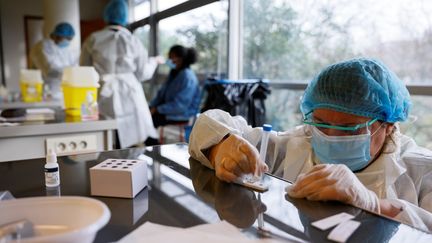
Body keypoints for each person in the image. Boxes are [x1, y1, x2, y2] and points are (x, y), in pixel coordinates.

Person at [188, 58, 432, 232]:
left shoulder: (421, 170)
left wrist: (374, 205)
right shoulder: (295, 144)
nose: (332, 136)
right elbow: (208, 123)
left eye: (349, 127)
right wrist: (223, 145)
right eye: (321, 123)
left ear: (388, 124)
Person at [80, 0, 162, 148]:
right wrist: (154, 62)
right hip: (130, 92)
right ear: (125, 18)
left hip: (102, 91)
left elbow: (84, 70)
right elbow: (143, 73)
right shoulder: (134, 40)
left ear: (106, 16)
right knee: (132, 138)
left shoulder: (93, 39)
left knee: (105, 139)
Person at [30, 22, 77, 99]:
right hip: (45, 90)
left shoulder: (68, 48)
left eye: (70, 38)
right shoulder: (42, 47)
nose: (68, 41)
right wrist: (68, 74)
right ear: (56, 36)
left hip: (63, 91)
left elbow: (73, 65)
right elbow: (49, 71)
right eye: (66, 38)